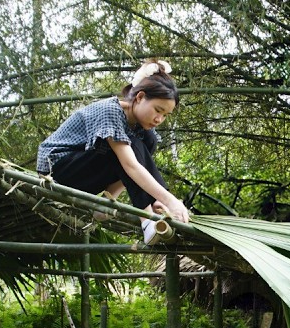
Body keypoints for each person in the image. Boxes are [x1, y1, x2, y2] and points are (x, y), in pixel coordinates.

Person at [38, 60, 190, 242]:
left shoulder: (141, 128)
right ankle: (147, 220)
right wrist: (169, 200)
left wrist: (155, 198)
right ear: (140, 97)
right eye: (158, 110)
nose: (159, 119)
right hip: (58, 170)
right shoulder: (110, 111)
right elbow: (131, 166)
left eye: (165, 115)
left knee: (148, 141)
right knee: (128, 146)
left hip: (87, 175)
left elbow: (132, 166)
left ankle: (109, 199)